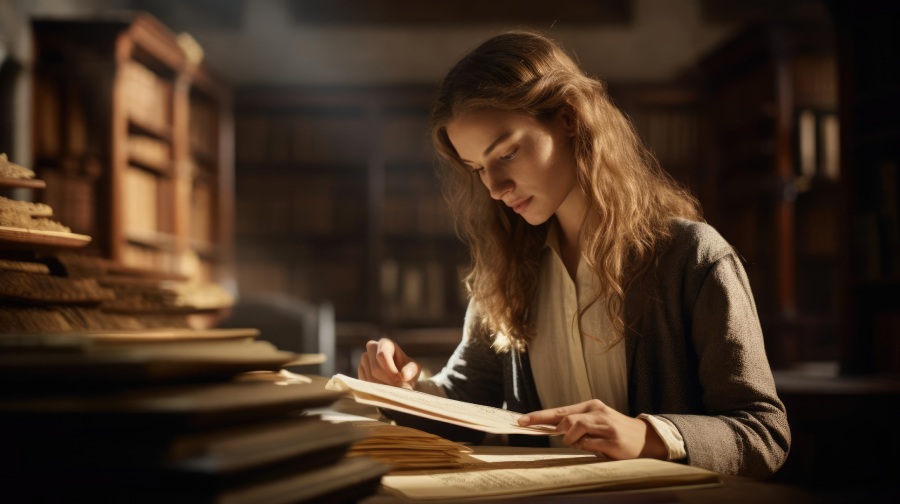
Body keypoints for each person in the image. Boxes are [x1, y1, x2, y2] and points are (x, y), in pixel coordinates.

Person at [357, 30, 790, 478]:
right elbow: (467, 400)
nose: (494, 188)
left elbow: (764, 433)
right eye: (479, 169)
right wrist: (403, 389)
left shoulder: (693, 257)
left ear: (569, 118)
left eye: (506, 153)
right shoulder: (507, 271)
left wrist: (649, 436)